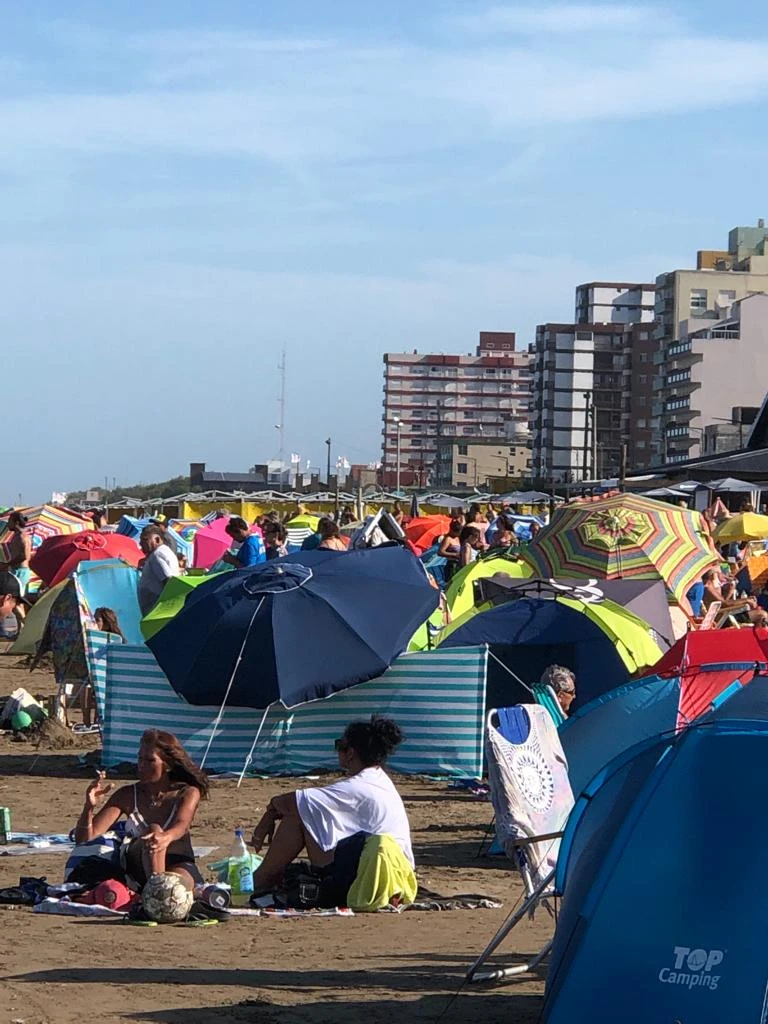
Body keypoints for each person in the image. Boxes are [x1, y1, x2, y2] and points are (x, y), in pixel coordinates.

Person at [250, 716, 413, 894]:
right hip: (396, 872)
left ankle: (260, 880)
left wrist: (268, 815)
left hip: (376, 876)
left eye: (339, 746)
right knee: (311, 815)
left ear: (350, 753)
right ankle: (265, 878)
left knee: (299, 818)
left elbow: (292, 802)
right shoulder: (379, 780)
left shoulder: (358, 786)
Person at [74, 729, 208, 891]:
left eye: (150, 760)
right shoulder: (128, 795)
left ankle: (160, 893)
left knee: (181, 887)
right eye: (139, 758)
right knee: (153, 830)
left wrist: (166, 837)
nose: (141, 765)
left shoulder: (187, 792)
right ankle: (156, 892)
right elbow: (84, 839)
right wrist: (89, 807)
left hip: (178, 860)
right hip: (139, 865)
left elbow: (182, 824)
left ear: (167, 765)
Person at [138, 525, 180, 616]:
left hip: (156, 609)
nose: (140, 543)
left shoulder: (157, 555)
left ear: (157, 539)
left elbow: (169, 581)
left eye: (145, 540)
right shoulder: (164, 552)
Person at [0, 512, 32, 619]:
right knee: (16, 602)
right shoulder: (17, 536)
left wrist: (8, 564)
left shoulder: (23, 537)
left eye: (10, 521)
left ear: (16, 522)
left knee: (15, 601)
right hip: (16, 570)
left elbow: (25, 556)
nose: (8, 524)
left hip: (20, 572)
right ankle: (21, 629)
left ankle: (25, 627)